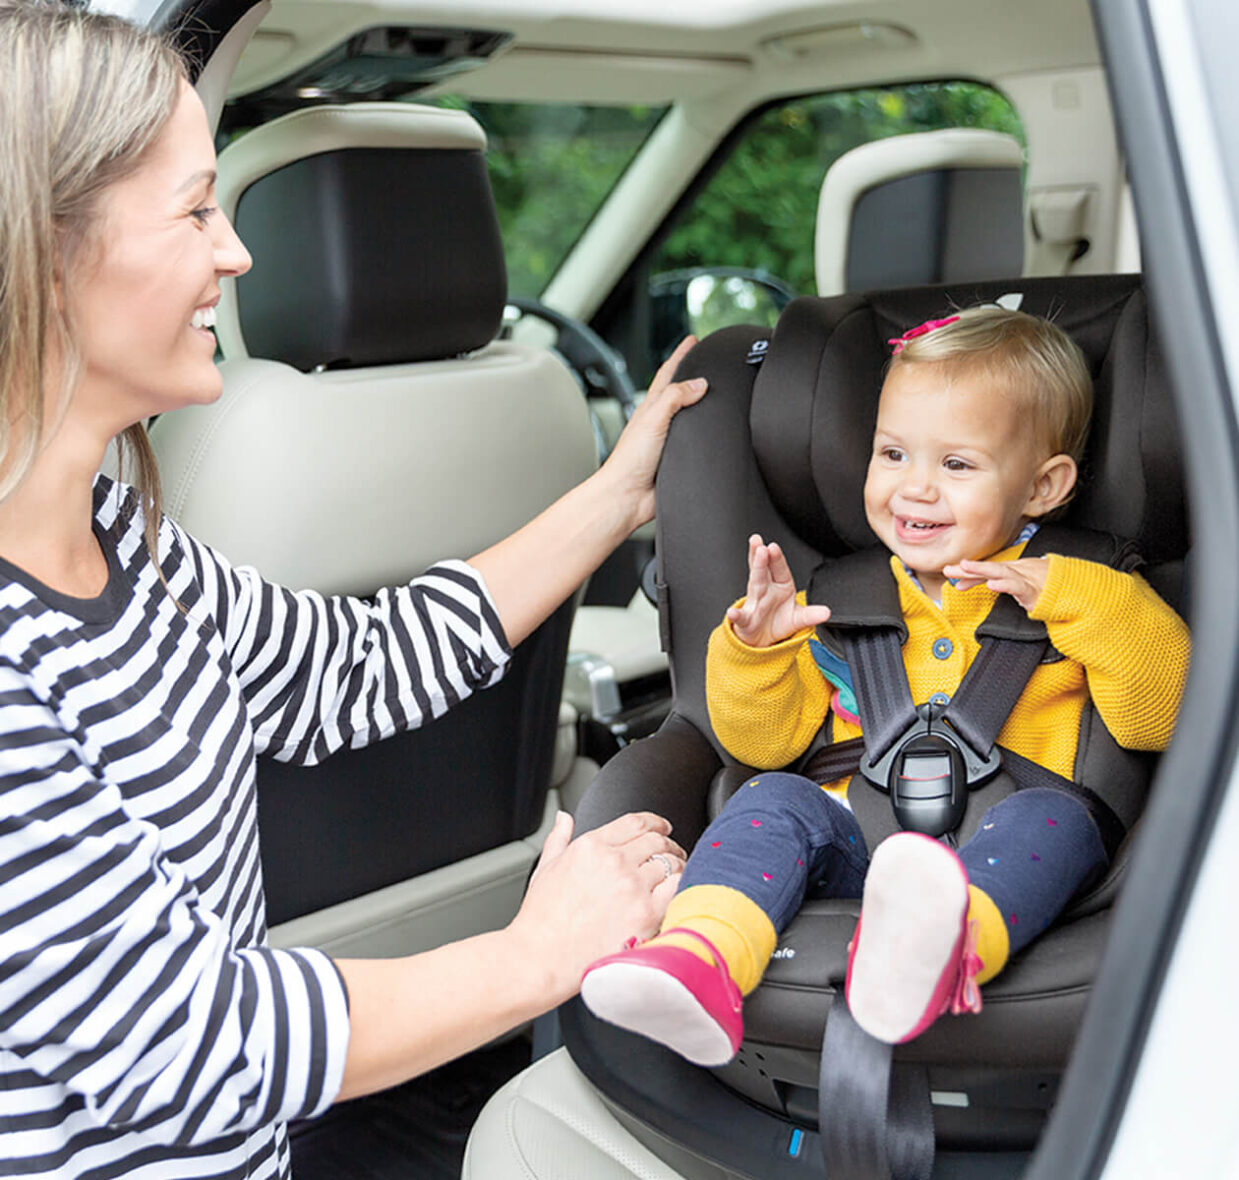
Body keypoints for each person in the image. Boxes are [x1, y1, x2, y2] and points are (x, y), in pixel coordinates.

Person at [0, 4, 705, 1177]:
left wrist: (618, 493)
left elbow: (350, 665)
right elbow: (183, 1042)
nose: (236, 252)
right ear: (49, 250)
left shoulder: (123, 533)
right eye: (193, 209)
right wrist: (543, 952)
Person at [580, 306, 1191, 1064]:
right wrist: (757, 652)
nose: (915, 489)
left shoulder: (1087, 593)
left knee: (1054, 819)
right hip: (856, 844)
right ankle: (697, 959)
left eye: (956, 465)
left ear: (1043, 486)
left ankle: (940, 951)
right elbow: (763, 745)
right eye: (893, 453)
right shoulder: (841, 598)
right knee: (769, 800)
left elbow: (1161, 719)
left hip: (1014, 848)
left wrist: (1079, 598)